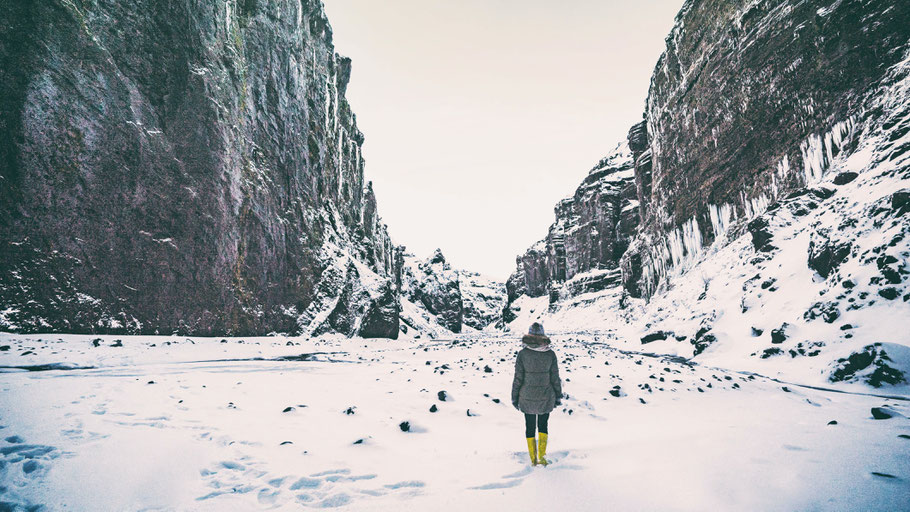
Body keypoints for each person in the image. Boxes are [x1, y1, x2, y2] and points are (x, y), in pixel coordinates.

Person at [511, 322, 562, 466]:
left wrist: (515, 397)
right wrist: (558, 396)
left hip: (526, 397)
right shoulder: (550, 354)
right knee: (543, 425)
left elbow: (518, 378)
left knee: (530, 426)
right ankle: (542, 457)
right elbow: (555, 378)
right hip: (546, 396)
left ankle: (533, 459)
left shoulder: (522, 354)